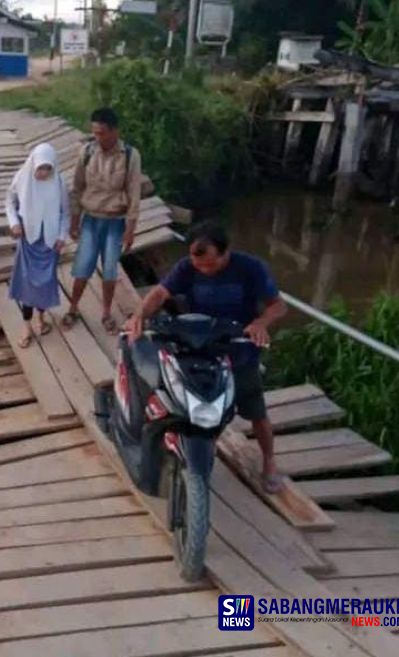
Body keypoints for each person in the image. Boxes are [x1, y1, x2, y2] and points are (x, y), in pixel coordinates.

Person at [124, 222, 288, 494]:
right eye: (198, 265)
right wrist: (140, 315)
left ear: (226, 253)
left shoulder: (250, 268)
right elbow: (160, 293)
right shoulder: (188, 267)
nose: (203, 270)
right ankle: (191, 449)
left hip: (238, 350)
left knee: (256, 411)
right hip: (199, 349)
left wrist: (261, 323)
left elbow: (278, 306)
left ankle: (270, 461)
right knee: (183, 400)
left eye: (210, 266)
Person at [62, 107, 142, 334]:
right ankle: (73, 307)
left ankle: (106, 312)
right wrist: (74, 220)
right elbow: (77, 188)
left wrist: (130, 230)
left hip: (115, 221)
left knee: (109, 271)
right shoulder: (86, 152)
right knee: (82, 267)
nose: (98, 137)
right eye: (95, 133)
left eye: (102, 133)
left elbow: (134, 194)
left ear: (115, 131)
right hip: (90, 220)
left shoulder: (130, 155)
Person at [6, 143, 69, 348]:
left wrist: (61, 236)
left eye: (47, 168)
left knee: (44, 284)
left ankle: (40, 320)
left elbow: (65, 213)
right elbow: (9, 201)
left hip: (49, 243)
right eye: (40, 168)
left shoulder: (59, 182)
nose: (43, 173)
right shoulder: (23, 178)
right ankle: (26, 326)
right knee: (27, 284)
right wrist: (14, 223)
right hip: (28, 239)